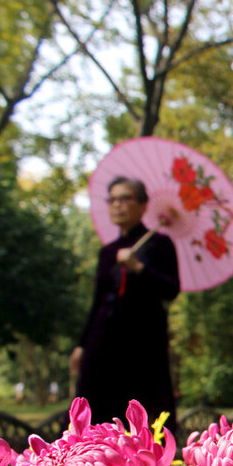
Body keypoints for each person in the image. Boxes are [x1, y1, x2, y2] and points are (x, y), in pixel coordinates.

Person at [70, 176, 180, 436]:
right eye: (113, 200)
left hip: (143, 343)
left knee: (141, 411)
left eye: (125, 198)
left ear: (143, 206)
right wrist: (81, 344)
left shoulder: (160, 244)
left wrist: (138, 267)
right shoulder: (107, 252)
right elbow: (97, 301)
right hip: (103, 341)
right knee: (96, 410)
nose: (117, 205)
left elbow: (171, 290)